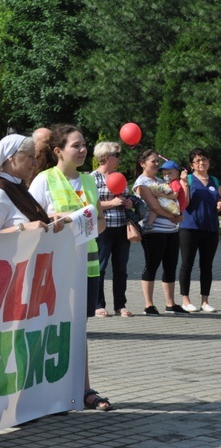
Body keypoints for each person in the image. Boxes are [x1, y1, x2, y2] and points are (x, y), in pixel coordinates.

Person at [29, 124, 113, 411]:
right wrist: (63, 217)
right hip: (53, 267)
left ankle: (84, 389)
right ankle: (44, 391)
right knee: (49, 328)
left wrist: (87, 221)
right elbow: (32, 224)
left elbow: (100, 222)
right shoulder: (43, 180)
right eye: (75, 145)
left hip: (85, 266)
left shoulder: (89, 182)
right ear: (58, 151)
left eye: (84, 144)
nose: (82, 149)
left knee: (78, 329)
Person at [131, 149, 187, 316]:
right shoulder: (141, 183)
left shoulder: (161, 180)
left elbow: (174, 198)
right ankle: (149, 305)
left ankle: (170, 304)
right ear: (143, 164)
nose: (157, 164)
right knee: (152, 265)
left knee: (170, 266)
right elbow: (154, 206)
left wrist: (177, 215)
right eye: (153, 161)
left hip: (171, 230)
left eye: (157, 161)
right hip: (153, 231)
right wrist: (172, 216)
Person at [0, 135, 64, 234]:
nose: (35, 163)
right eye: (30, 157)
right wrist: (21, 228)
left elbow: (33, 223)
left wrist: (50, 220)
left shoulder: (17, 186)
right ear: (11, 158)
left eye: (34, 157)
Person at [90, 142, 134, 318]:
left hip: (122, 227)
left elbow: (127, 195)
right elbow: (89, 204)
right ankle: (98, 304)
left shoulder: (119, 176)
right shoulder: (93, 178)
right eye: (117, 155)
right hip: (103, 229)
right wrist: (110, 203)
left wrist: (129, 202)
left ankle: (120, 305)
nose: (120, 158)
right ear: (107, 157)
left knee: (121, 268)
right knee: (100, 267)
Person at [179, 148, 221, 312]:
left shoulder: (215, 181)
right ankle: (186, 300)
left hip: (210, 228)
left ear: (209, 162)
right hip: (190, 227)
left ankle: (205, 301)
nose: (201, 163)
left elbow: (218, 201)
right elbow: (186, 203)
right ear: (191, 165)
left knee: (207, 265)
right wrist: (184, 185)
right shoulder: (188, 179)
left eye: (204, 159)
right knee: (187, 264)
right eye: (197, 161)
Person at [144, 160, 184, 232]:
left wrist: (161, 194)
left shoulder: (175, 183)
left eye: (169, 173)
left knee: (156, 207)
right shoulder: (170, 183)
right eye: (164, 174)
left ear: (177, 173)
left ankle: (149, 224)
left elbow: (174, 195)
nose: (166, 176)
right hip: (174, 205)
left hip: (175, 205)